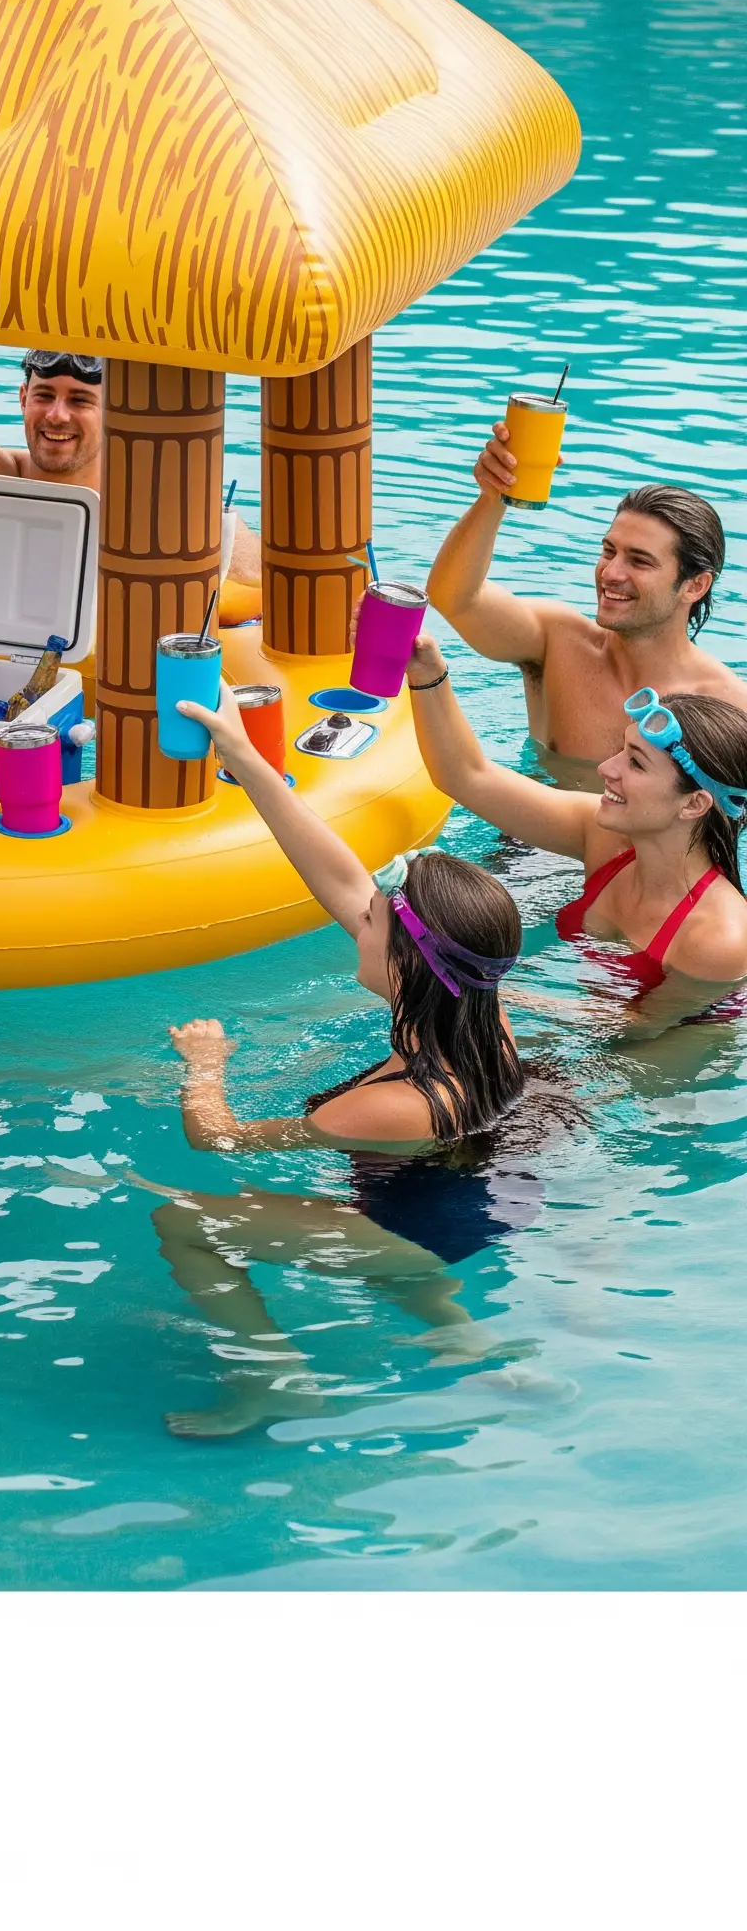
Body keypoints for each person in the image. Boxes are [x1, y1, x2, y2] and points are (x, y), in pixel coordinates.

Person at [147, 682, 545, 1436]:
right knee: (400, 1222)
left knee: (187, 1222)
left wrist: (205, 1062)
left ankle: (275, 1380)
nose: (355, 912)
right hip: (488, 1205)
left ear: (401, 967)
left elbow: (220, 1138)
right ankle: (467, 1346)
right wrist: (244, 758)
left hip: (421, 1232)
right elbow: (335, 873)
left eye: (368, 920)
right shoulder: (480, 1019)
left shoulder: (384, 1105)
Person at [406, 627, 747, 1038]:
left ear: (694, 804)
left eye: (635, 764)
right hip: (575, 1021)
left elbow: (638, 1028)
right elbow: (467, 777)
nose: (606, 769)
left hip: (656, 1069)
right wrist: (428, 672)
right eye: (622, 750)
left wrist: (487, 990)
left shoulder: (720, 936)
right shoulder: (605, 837)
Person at [426, 440, 747, 775]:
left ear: (695, 585)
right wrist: (493, 496)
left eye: (639, 561)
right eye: (609, 551)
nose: (610, 573)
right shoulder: (557, 641)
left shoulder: (730, 707)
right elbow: (454, 597)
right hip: (527, 827)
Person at [0, 337, 262, 582]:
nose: (57, 415)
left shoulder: (155, 495)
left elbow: (254, 579)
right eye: (44, 396)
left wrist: (196, 513)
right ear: (23, 399)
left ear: (116, 411)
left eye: (80, 400)